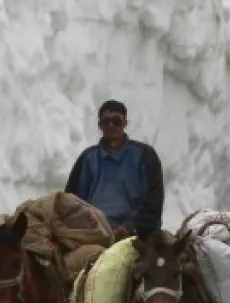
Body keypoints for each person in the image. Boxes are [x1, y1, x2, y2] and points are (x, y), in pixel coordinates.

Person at [64, 99, 165, 240]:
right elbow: (71, 201)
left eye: (116, 121)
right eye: (106, 122)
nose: (111, 125)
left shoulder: (145, 155)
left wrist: (130, 228)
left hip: (137, 236)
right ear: (100, 125)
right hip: (94, 235)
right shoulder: (87, 159)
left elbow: (154, 202)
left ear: (125, 123)